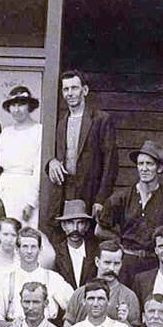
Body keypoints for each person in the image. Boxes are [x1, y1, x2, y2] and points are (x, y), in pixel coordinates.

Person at [98, 140, 163, 283]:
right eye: (140, 164)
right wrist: (120, 242)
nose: (144, 168)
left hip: (156, 263)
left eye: (149, 164)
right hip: (128, 263)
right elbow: (99, 230)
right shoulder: (121, 197)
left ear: (159, 168)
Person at [46, 70, 117, 224]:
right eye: (66, 89)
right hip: (66, 191)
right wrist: (52, 162)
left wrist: (101, 199)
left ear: (84, 90)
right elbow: (57, 154)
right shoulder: (62, 123)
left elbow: (110, 163)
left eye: (74, 88)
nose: (70, 93)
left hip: (90, 191)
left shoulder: (101, 120)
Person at [0, 227, 74, 327]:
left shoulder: (53, 278)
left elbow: (74, 306)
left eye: (33, 247)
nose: (29, 251)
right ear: (17, 249)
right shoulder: (6, 279)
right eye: (25, 246)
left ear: (40, 249)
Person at [62, 240, 142, 327]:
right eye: (107, 263)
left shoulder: (129, 296)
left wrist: (124, 321)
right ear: (97, 261)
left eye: (116, 264)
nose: (111, 268)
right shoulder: (79, 294)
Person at [0, 86, 44, 226]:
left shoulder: (39, 131)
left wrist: (31, 202)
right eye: (13, 105)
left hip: (27, 189)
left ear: (29, 106)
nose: (17, 110)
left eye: (21, 104)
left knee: (26, 231)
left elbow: (38, 168)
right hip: (6, 189)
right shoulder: (6, 132)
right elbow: (1, 163)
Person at [51, 199, 100, 289]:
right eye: (70, 223)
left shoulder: (95, 252)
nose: (75, 228)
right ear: (63, 226)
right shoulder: (54, 253)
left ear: (86, 226)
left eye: (80, 223)